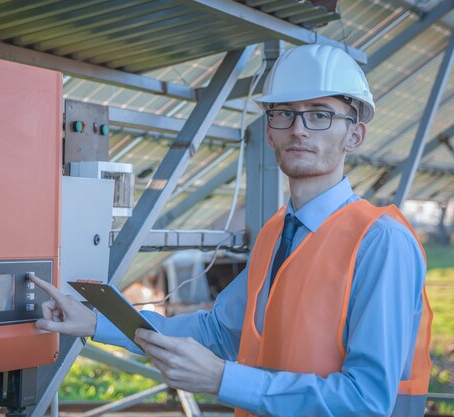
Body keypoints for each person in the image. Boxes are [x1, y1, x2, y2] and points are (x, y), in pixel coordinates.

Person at [28, 44, 432, 417]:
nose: (299, 128)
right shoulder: (277, 232)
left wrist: (223, 380)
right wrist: (97, 322)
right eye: (284, 112)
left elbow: (366, 399)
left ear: (355, 135)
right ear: (270, 130)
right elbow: (217, 332)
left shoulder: (381, 241)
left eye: (320, 114)